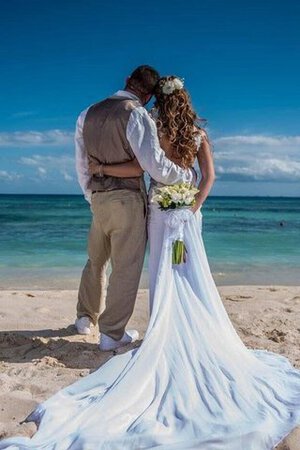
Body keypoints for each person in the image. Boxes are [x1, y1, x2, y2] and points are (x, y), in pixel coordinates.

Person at [1, 76, 299, 450]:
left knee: (162, 271)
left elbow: (144, 170)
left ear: (161, 102)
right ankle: (134, 326)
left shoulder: (155, 129)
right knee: (181, 273)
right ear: (187, 101)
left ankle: (121, 322)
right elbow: (207, 178)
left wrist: (104, 175)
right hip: (179, 213)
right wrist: (191, 207)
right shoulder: (192, 134)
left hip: (162, 212)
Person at [74, 65, 194, 351]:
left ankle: (84, 317)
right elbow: (154, 166)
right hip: (127, 199)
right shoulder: (136, 114)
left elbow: (81, 164)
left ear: (128, 80)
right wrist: (185, 176)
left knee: (95, 259)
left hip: (98, 198)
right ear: (150, 95)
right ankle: (112, 333)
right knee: (126, 268)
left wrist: (91, 195)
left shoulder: (87, 113)